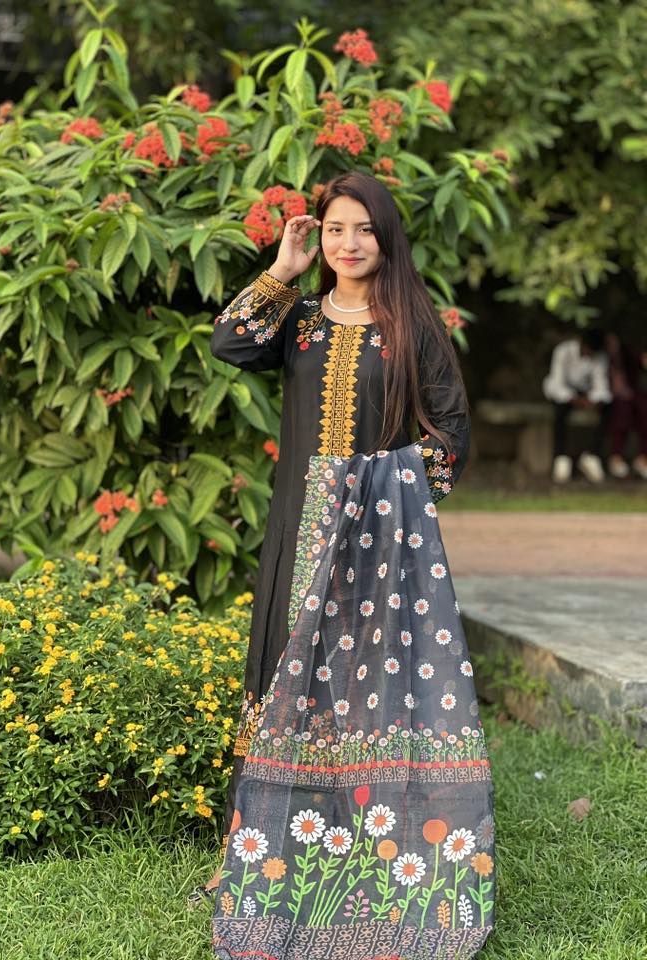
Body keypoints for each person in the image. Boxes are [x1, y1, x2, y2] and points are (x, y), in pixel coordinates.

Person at [194, 172, 495, 960]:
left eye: (363, 229)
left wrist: (384, 498)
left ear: (386, 238)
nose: (348, 243)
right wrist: (282, 269)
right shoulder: (297, 321)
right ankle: (256, 856)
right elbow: (230, 343)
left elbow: (452, 435)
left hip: (376, 551)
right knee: (282, 686)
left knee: (366, 697)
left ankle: (371, 854)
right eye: (334, 229)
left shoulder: (412, 328)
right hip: (297, 541)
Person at [542, 328, 612, 483]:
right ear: (581, 344)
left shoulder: (600, 357)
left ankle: (592, 454)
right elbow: (557, 382)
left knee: (608, 409)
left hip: (586, 392)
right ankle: (561, 457)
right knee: (560, 411)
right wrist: (574, 399)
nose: (589, 355)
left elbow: (601, 384)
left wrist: (595, 400)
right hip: (562, 391)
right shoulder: (563, 351)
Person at [604, 333, 647, 480]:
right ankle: (616, 459)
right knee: (621, 415)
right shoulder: (602, 357)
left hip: (632, 395)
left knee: (643, 410)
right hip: (610, 398)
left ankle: (642, 459)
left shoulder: (629, 355)